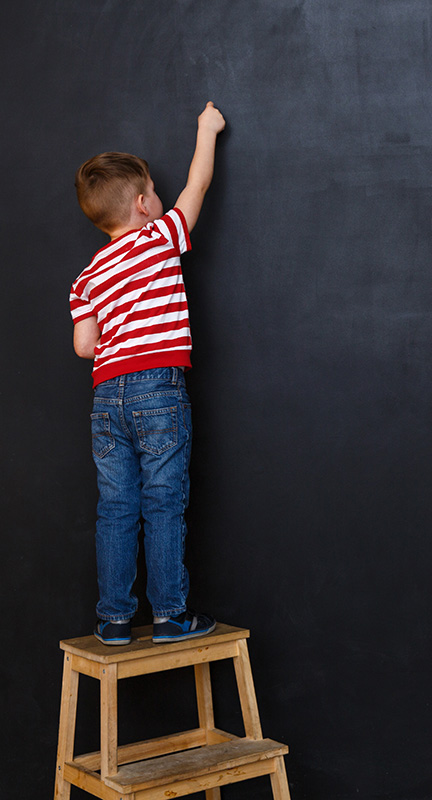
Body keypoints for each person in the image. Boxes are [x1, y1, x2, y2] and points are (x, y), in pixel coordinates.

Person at [69, 102, 226, 645]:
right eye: (155, 191)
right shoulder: (158, 238)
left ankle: (114, 619)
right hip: (157, 384)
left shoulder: (86, 277)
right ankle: (169, 616)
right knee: (163, 500)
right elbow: (199, 184)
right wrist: (207, 129)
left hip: (106, 396)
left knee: (116, 507)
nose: (162, 199)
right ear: (142, 204)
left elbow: (84, 345)